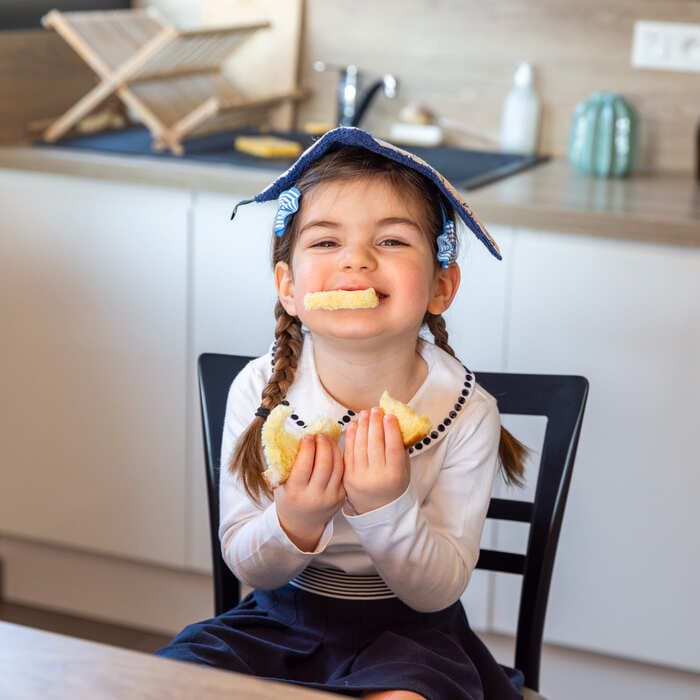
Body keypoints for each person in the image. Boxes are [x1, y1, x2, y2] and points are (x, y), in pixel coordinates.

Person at [156, 127, 528, 700]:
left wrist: (386, 506)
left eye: (392, 242)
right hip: (280, 622)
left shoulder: (466, 411)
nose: (355, 259)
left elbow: (438, 590)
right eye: (326, 243)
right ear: (288, 287)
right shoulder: (258, 389)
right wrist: (294, 522)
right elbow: (249, 567)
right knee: (166, 682)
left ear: (441, 286)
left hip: (414, 636)